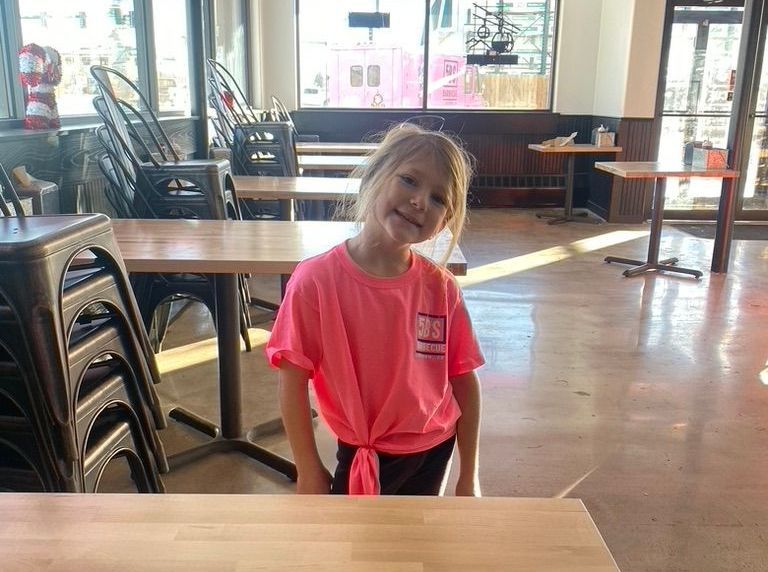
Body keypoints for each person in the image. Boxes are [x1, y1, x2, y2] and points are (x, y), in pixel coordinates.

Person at [265, 123, 484, 495]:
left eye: (438, 199)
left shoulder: (440, 288)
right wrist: (308, 468)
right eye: (410, 181)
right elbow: (292, 380)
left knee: (416, 549)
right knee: (353, 549)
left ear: (444, 222)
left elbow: (463, 381)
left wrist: (469, 475)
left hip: (434, 450)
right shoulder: (316, 281)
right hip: (361, 453)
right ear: (375, 176)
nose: (419, 202)